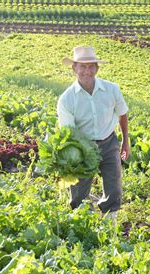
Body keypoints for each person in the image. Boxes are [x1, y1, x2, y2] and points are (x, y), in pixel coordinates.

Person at [57, 46, 130, 222]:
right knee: (79, 192)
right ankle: (82, 223)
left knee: (114, 186)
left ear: (97, 68)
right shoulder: (67, 99)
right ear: (74, 68)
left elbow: (122, 114)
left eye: (91, 66)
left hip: (108, 141)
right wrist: (77, 157)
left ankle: (109, 224)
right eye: (82, 66)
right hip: (83, 147)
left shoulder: (111, 89)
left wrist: (125, 141)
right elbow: (69, 133)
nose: (87, 71)